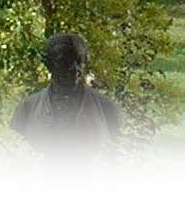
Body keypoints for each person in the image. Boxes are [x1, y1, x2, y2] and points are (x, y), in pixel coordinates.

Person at [10, 33, 121, 161]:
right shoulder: (27, 109)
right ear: (50, 65)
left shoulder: (106, 107)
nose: (75, 68)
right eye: (65, 62)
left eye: (79, 61)